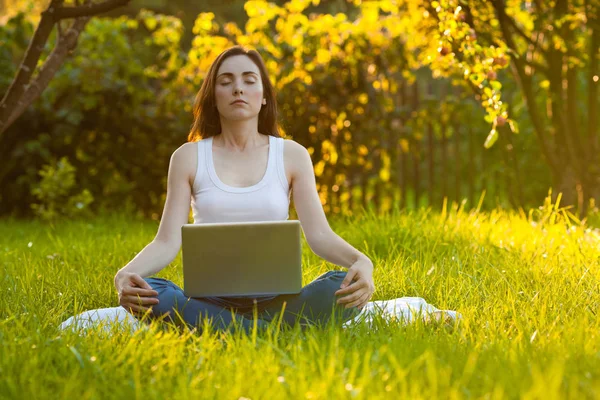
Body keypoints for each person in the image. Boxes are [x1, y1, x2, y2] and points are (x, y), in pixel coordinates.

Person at [113, 46, 376, 335]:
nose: (238, 88)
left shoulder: (292, 155)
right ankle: (269, 332)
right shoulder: (187, 157)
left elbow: (320, 236)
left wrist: (361, 261)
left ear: (264, 97)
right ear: (213, 97)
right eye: (226, 82)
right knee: (153, 292)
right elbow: (166, 242)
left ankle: (231, 330)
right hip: (206, 300)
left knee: (342, 287)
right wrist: (124, 275)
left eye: (249, 80)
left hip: (277, 300)